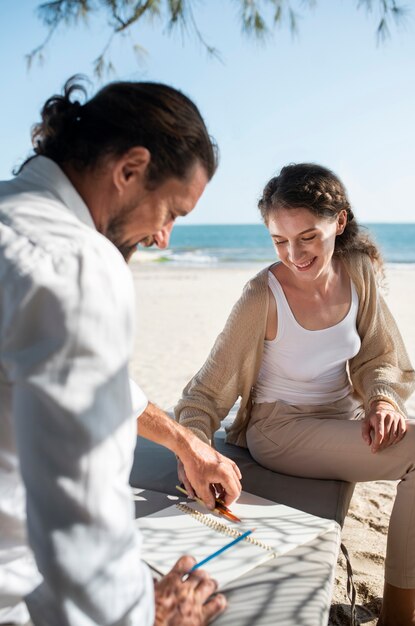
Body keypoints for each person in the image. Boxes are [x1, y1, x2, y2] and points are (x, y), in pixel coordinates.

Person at [0, 76, 242, 626]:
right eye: (172, 212)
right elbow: (81, 531)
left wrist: (186, 443)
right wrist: (146, 614)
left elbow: (54, 371)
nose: (164, 239)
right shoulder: (78, 265)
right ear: (129, 170)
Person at [175, 163, 415, 626]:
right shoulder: (260, 296)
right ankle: (401, 617)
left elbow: (384, 355)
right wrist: (193, 451)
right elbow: (205, 392)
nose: (294, 253)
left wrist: (383, 400)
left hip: (343, 420)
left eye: (308, 237)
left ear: (339, 222)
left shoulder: (358, 271)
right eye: (279, 240)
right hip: (280, 430)